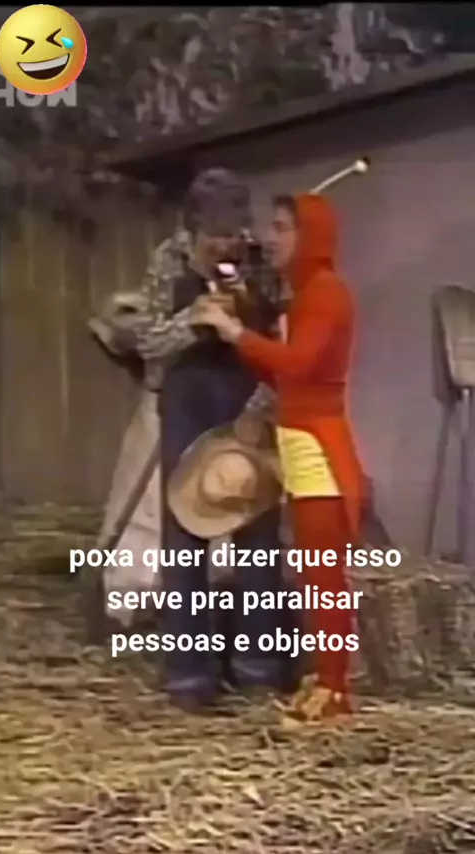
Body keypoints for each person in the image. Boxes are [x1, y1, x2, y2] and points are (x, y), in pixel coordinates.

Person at [92, 169, 285, 711]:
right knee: (185, 537)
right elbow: (150, 343)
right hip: (188, 401)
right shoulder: (168, 261)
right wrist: (195, 320)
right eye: (215, 237)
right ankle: (190, 674)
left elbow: (280, 338)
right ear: (192, 229)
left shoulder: (259, 261)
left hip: (246, 400)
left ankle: (258, 667)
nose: (227, 246)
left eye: (234, 234)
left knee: (258, 536)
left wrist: (260, 403)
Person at [190, 191, 366, 721]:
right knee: (315, 576)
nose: (272, 238)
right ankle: (326, 678)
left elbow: (297, 366)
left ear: (310, 236)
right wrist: (242, 334)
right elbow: (282, 375)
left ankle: (335, 691)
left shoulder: (326, 293)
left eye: (283, 227)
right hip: (302, 445)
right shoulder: (307, 293)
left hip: (318, 450)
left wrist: (236, 332)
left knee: (324, 579)